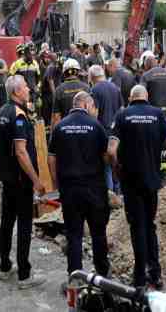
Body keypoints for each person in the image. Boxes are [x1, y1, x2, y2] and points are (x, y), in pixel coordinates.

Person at [108, 85, 166, 289]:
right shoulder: (157, 115)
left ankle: (139, 278)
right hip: (151, 181)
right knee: (150, 225)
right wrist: (160, 158)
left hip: (130, 182)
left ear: (131, 98)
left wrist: (116, 169)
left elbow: (111, 151)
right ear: (146, 97)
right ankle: (155, 274)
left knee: (137, 227)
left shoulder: (122, 116)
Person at [48, 91, 110, 290]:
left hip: (70, 189)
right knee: (98, 232)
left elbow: (51, 158)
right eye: (92, 108)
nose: (93, 111)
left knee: (74, 234)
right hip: (94, 189)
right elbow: (108, 155)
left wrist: (57, 183)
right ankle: (102, 275)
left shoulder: (60, 127)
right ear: (85, 105)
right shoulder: (96, 126)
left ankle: (75, 278)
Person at [0, 75, 46, 290]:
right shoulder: (18, 115)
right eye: (25, 87)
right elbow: (21, 152)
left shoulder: (0, 113)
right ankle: (24, 274)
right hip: (20, 179)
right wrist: (36, 180)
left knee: (6, 222)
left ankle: (5, 266)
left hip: (6, 177)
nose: (28, 90)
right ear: (16, 92)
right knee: (24, 224)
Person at [88, 64, 123, 192]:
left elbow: (94, 114)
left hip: (102, 133)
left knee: (105, 167)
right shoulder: (115, 87)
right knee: (115, 163)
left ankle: (109, 196)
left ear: (91, 77)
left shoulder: (95, 90)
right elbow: (121, 110)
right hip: (116, 134)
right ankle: (118, 192)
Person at [52, 58, 90, 125]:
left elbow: (56, 117)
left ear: (64, 73)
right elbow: (92, 112)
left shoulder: (59, 90)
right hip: (85, 129)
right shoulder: (86, 88)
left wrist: (53, 134)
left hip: (67, 130)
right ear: (78, 72)